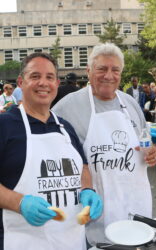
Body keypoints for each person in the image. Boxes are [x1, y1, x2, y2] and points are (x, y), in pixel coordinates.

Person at [53, 43, 156, 246]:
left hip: (134, 201)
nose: (109, 75)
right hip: (93, 208)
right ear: (89, 71)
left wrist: (152, 152)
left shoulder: (131, 104)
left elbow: (146, 141)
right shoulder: (66, 107)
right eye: (102, 69)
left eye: (115, 70)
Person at [0, 52, 103, 250]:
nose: (43, 83)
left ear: (56, 83)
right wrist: (19, 203)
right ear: (21, 82)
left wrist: (88, 189)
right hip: (21, 241)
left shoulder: (65, 127)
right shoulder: (4, 125)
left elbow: (82, 166)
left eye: (49, 77)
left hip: (72, 241)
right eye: (35, 76)